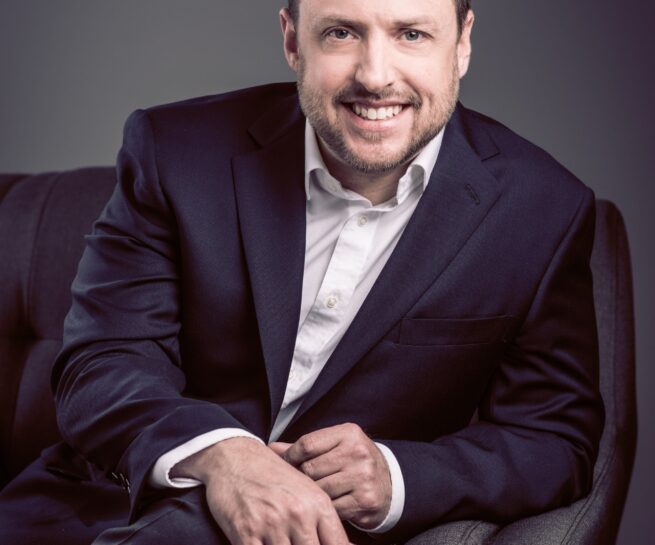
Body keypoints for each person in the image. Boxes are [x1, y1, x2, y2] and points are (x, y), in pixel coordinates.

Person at [0, 0, 604, 544]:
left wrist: (395, 478)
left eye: (412, 34)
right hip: (98, 507)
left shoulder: (542, 208)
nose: (375, 75)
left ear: (462, 41)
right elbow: (100, 363)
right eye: (341, 33)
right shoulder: (172, 150)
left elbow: (555, 440)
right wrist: (226, 456)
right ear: (292, 40)